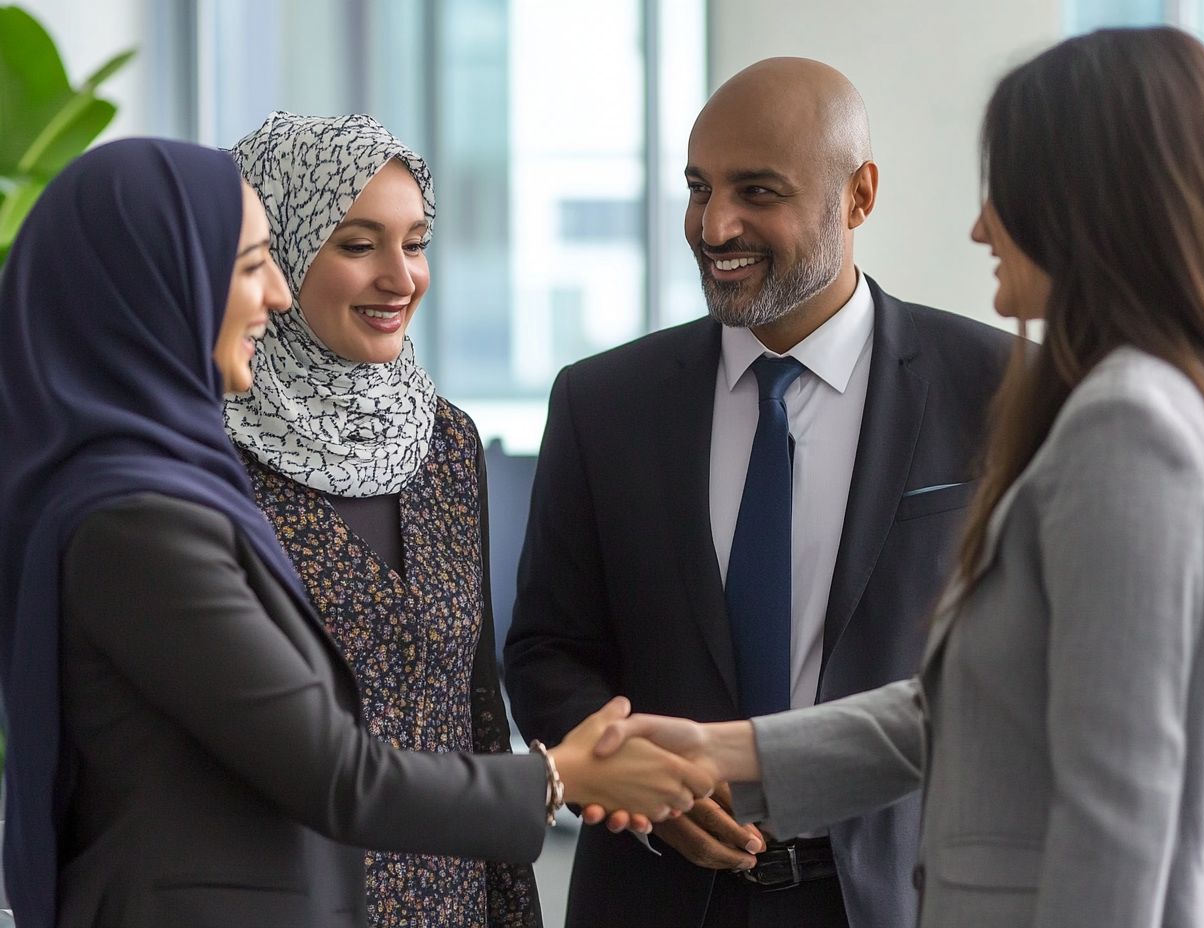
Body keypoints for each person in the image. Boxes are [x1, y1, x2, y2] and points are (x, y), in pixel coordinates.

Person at [596, 25, 1204, 928]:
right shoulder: (1150, 403)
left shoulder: (1128, 422)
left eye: (1006, 193)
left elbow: (1119, 803)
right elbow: (963, 712)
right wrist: (717, 748)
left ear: (1094, 206)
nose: (980, 226)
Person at [0, 138, 713, 928]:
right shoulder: (142, 517)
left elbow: (472, 706)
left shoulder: (423, 443)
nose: (274, 293)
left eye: (416, 242)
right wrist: (561, 776)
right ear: (156, 289)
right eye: (252, 264)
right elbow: (334, 771)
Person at [504, 57, 1015, 928]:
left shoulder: (999, 389)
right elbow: (547, 649)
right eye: (699, 188)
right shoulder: (601, 403)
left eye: (757, 191)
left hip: (904, 897)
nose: (715, 224)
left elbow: (1016, 671)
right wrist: (646, 791)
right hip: (657, 896)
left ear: (858, 197)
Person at [223, 110, 539, 927]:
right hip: (292, 904)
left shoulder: (447, 442)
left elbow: (479, 712)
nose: (402, 278)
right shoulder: (209, 454)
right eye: (359, 245)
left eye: (417, 241)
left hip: (454, 902)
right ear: (277, 253)